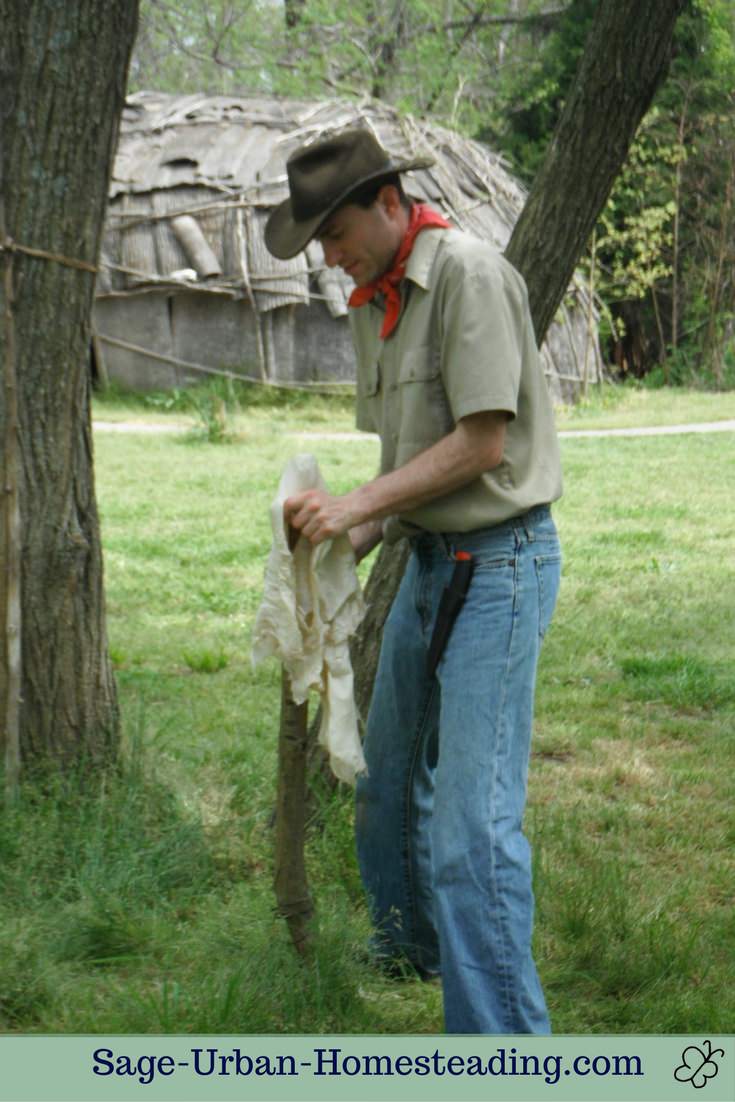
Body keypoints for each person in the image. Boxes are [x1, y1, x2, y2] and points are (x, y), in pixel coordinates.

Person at [264, 128, 563, 1034]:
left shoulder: (469, 274)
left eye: (335, 229)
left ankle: (506, 1049)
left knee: (471, 830)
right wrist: (339, 546)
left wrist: (356, 506)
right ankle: (412, 949)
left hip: (501, 566)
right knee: (388, 777)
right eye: (317, 239)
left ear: (389, 203)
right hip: (428, 560)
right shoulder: (373, 297)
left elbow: (481, 446)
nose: (328, 253)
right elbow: (415, 465)